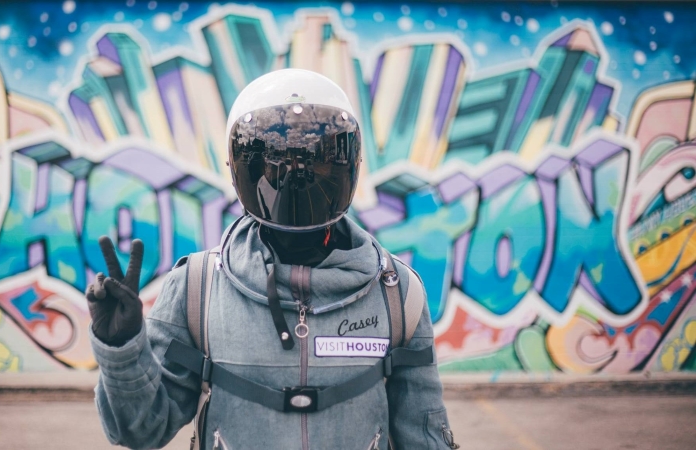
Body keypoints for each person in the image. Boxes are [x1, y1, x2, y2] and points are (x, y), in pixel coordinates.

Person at [85, 69, 459, 449]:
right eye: (277, 161)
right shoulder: (197, 289)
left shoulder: (396, 294)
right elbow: (140, 430)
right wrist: (122, 349)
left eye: (317, 160)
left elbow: (425, 436)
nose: (299, 176)